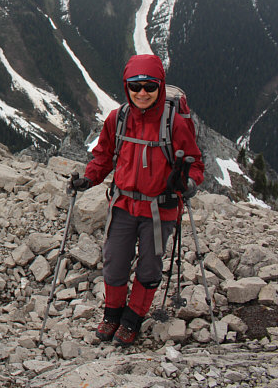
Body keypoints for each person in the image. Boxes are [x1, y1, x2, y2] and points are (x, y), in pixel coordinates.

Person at [69, 54, 203, 346]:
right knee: (114, 261)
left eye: (150, 86)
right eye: (135, 86)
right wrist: (89, 179)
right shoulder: (118, 120)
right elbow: (104, 155)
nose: (142, 92)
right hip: (124, 205)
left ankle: (132, 320)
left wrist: (189, 183)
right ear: (126, 86)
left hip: (160, 208)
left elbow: (195, 163)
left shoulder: (175, 125)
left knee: (149, 267)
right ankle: (112, 315)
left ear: (161, 86)